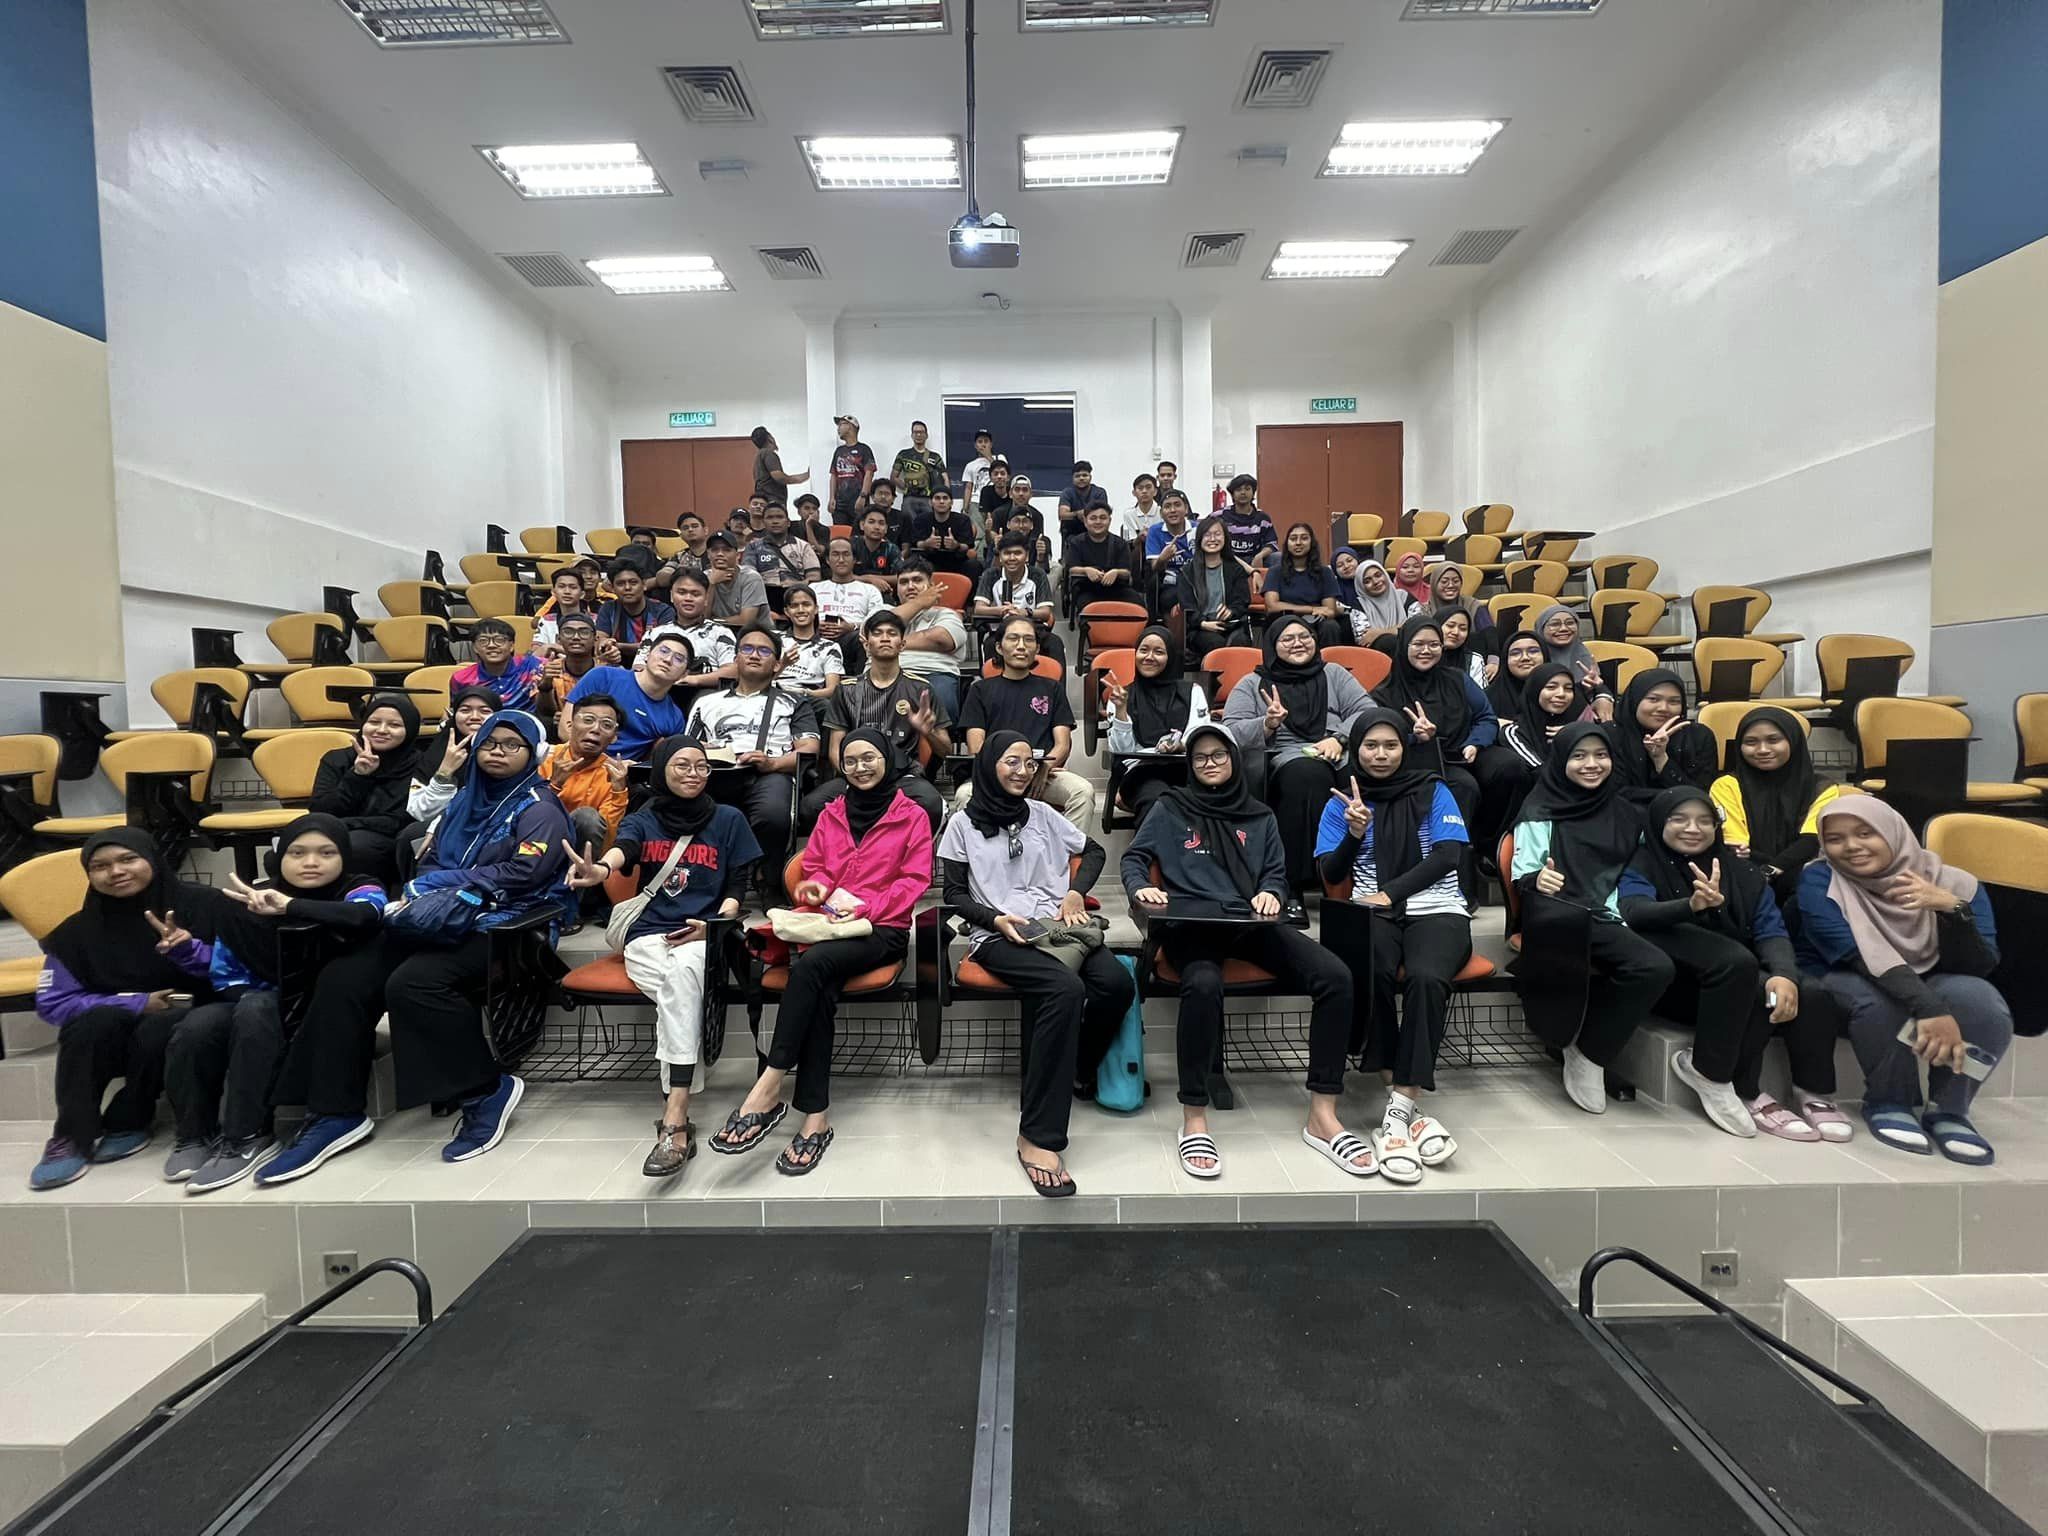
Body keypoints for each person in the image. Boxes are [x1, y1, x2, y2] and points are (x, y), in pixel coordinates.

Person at [256, 711, 569, 1186]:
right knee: (345, 977)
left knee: (414, 982)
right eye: (489, 743)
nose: (498, 752)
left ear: (533, 754)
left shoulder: (540, 808)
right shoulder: (463, 800)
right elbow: (429, 859)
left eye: (512, 744)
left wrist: (444, 884)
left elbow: (525, 874)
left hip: (506, 925)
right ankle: (334, 1112)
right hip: (435, 916)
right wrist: (434, 888)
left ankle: (485, 1091)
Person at [1123, 727, 1362, 1181]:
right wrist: (1140, 887)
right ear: (1190, 765)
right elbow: (1134, 858)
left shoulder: (1260, 815)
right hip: (1190, 924)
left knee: (1336, 976)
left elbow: (1275, 873)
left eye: (1218, 755)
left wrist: (1272, 892)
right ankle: (1194, 1118)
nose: (1210, 763)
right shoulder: (1170, 808)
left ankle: (1323, 1114)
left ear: (1234, 758)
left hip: (1247, 924)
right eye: (1200, 757)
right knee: (1202, 982)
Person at [710, 728, 933, 1174]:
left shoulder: (913, 815)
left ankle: (770, 1083)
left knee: (811, 967)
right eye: (850, 761)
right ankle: (815, 1120)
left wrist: (864, 907)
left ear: (887, 759)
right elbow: (814, 869)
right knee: (820, 989)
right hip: (830, 925)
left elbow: (915, 881)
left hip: (881, 928)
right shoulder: (832, 813)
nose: (860, 768)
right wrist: (815, 889)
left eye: (869, 758)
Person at [940, 732, 1134, 1196]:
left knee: (1115, 984)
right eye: (1012, 761)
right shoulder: (962, 824)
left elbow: (1094, 851)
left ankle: (1077, 1068)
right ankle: (1037, 1136)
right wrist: (994, 918)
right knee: (1064, 988)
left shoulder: (1043, 814)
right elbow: (954, 894)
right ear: (989, 764)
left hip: (1056, 927)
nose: (1023, 771)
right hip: (999, 934)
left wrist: (1074, 892)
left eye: (1029, 763)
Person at [564, 737, 760, 1178]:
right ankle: (678, 1109)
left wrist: (715, 923)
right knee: (680, 988)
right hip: (649, 936)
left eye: (701, 766)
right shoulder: (644, 817)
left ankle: (675, 1118)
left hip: (703, 932)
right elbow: (625, 850)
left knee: (682, 977)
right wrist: (601, 870)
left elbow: (737, 885)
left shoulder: (728, 818)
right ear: (660, 771)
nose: (694, 773)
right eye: (682, 766)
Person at [166, 815, 389, 1193]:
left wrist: (290, 906)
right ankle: (193, 1135)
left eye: (326, 853)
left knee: (256, 1012)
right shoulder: (252, 898)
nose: (311, 862)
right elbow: (226, 972)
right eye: (297, 853)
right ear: (280, 857)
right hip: (254, 999)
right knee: (197, 1025)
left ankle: (246, 1135)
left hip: (320, 1009)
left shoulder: (360, 887)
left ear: (344, 857)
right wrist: (189, 952)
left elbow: (365, 915)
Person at [1620, 787, 1848, 1142]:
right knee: (1754, 989)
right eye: (1679, 819)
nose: (1692, 828)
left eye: (1704, 821)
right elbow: (1635, 911)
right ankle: (1744, 1089)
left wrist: (1784, 975)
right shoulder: (1642, 864)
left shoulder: (1743, 872)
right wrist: (1690, 906)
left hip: (1740, 969)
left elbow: (1770, 930)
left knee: (1813, 994)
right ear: (1659, 822)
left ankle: (1814, 1092)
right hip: (1684, 985)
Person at [1797, 796, 2010, 1163]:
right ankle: (1889, 1101)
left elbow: (1978, 963)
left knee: (1983, 1004)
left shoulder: (1956, 883)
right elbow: (1855, 953)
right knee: (1879, 1004)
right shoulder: (1820, 878)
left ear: (1893, 831)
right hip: (1845, 972)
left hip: (1932, 975)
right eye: (1835, 839)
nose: (1852, 846)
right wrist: (1930, 1009)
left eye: (1866, 833)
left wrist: (1952, 910)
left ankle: (1949, 1109)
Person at [1315, 710, 1473, 1181]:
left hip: (1437, 909)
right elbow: (1331, 873)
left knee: (1426, 978)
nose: (1380, 755)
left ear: (1405, 747)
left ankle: (1399, 1112)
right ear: (1356, 749)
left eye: (1391, 745)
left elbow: (1448, 856)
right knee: (1372, 971)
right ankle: (1408, 1107)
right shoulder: (1341, 801)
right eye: (1370, 746)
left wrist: (1391, 892)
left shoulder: (1434, 789)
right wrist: (1354, 834)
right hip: (1372, 911)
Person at [28, 830, 219, 1191]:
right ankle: (71, 1135)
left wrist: (191, 951)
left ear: (152, 858)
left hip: (196, 1016)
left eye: (128, 859)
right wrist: (137, 1003)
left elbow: (239, 966)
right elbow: (54, 1003)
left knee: (159, 1027)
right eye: (100, 866)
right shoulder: (75, 933)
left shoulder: (205, 905)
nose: (115, 872)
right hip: (117, 1026)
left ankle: (129, 1118)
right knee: (89, 1024)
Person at [1510, 724, 1675, 1114]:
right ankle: (1589, 1052)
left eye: (1601, 755)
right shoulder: (1540, 810)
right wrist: (1538, 879)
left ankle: (1587, 1041)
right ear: (1560, 761)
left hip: (1620, 909)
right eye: (1579, 756)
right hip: (1565, 912)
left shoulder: (1625, 811)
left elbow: (1646, 857)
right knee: (1653, 966)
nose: (1592, 764)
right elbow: (1523, 873)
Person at [1220, 617, 1374, 890]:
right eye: (1288, 639)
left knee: (1369, 770)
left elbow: (1368, 710)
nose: (1298, 643)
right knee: (1307, 775)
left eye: (1305, 636)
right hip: (1285, 753)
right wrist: (1266, 723)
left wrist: (1339, 738)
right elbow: (1230, 732)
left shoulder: (1334, 673)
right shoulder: (1252, 683)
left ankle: (1367, 875)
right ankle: (1298, 883)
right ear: (1272, 645)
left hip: (1339, 748)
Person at [685, 623, 821, 896]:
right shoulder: (706, 701)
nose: (754, 655)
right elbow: (686, 748)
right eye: (747, 649)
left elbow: (809, 749)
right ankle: (712, 883)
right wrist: (705, 751)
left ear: (776, 664)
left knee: (773, 814)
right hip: (717, 773)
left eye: (764, 651)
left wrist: (772, 763)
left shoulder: (793, 701)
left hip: (769, 773)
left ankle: (766, 879)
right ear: (736, 658)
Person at [1372, 612, 1512, 850]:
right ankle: (1447, 853)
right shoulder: (1384, 693)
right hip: (1414, 759)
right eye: (1418, 644)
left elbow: (1486, 717)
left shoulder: (1457, 679)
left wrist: (1475, 743)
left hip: (1461, 751)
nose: (1426, 651)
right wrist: (1415, 737)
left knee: (1509, 768)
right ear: (1404, 646)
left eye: (1434, 645)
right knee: (1464, 786)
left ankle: (1488, 846)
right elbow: (1378, 739)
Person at [807, 609, 951, 828]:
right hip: (857, 773)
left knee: (931, 804)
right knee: (811, 807)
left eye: (892, 633)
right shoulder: (846, 690)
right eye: (877, 633)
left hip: (902, 776)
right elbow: (835, 749)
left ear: (902, 644)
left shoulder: (921, 689)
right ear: (866, 644)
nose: (885, 638)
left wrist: (927, 732)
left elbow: (945, 750)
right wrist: (855, 774)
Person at [957, 615, 1095, 828]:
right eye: (1013, 638)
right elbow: (977, 747)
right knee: (964, 795)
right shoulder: (980, 690)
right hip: (997, 775)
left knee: (1082, 792)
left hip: (1042, 773)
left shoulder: (1052, 688)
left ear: (1037, 648)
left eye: (1028, 640)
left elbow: (1063, 744)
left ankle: (1069, 849)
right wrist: (1007, 772)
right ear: (999, 647)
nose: (1021, 646)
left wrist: (1044, 767)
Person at [1710, 706, 1847, 902]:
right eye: (1751, 742)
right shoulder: (1726, 785)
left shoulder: (1822, 787)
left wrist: (1772, 870)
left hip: (1801, 870)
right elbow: (1738, 845)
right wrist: (1760, 873)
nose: (1762, 750)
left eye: (1773, 740)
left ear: (1793, 740)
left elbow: (1811, 840)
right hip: (1746, 872)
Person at [308, 691, 421, 885]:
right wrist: (358, 775)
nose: (382, 730)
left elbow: (400, 819)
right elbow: (321, 810)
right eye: (374, 722)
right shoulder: (337, 759)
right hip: (337, 832)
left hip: (390, 839)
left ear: (409, 729)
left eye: (394, 725)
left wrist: (347, 824)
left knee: (353, 847)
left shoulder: (420, 764)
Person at [1104, 624, 1209, 823]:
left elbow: (1200, 733)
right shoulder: (1121, 696)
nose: (1149, 657)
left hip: (1185, 769)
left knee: (1198, 800)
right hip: (1141, 772)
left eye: (1159, 652)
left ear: (1170, 657)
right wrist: (1121, 710)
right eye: (1143, 650)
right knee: (1159, 801)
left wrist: (1181, 745)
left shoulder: (1192, 691)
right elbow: (1122, 753)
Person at [567, 630, 694, 759]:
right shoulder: (603, 676)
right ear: (647, 655)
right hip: (578, 760)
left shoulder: (674, 718)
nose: (667, 660)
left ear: (684, 674)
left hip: (627, 769)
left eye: (678, 659)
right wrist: (603, 764)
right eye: (664, 651)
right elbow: (565, 728)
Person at [539, 693, 632, 854]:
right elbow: (526, 816)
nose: (595, 729)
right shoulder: (544, 758)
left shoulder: (613, 774)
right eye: (588, 720)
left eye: (607, 725)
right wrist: (554, 785)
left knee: (587, 817)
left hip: (580, 854)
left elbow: (607, 841)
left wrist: (619, 791)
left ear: (614, 738)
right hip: (537, 842)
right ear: (570, 725)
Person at [1609, 668, 1718, 803]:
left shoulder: (1699, 737)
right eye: (1653, 699)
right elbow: (1615, 793)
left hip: (1682, 813)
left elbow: (1701, 795)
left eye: (1674, 702)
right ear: (1634, 700)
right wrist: (1673, 795)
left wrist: (1661, 759)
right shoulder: (1611, 734)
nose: (1663, 708)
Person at [409, 685, 501, 824]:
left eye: (485, 711)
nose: (474, 717)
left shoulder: (508, 753)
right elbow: (418, 811)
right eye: (465, 710)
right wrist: (445, 772)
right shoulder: (438, 751)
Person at [890, 558, 968, 719]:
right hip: (887, 672)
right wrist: (919, 603)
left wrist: (888, 641)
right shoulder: (882, 610)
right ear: (896, 589)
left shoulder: (947, 614)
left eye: (917, 580)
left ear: (931, 586)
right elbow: (872, 628)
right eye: (903, 582)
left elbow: (941, 639)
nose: (910, 586)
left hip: (934, 673)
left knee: (942, 703)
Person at [973, 533, 1063, 665]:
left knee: (1055, 643)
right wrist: (1002, 610)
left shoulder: (1038, 575)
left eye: (1017, 553)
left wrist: (1023, 612)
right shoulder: (991, 575)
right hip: (1001, 630)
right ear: (1000, 556)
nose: (1012, 558)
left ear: (1027, 556)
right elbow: (979, 608)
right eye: (1007, 553)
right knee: (990, 644)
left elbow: (1045, 612)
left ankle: (1056, 680)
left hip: (1033, 630)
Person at [1260, 522, 1346, 649]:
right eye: (1293, 539)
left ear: (1312, 543)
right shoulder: (1275, 572)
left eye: (1304, 538)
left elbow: (1329, 610)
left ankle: (1328, 661)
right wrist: (1311, 609)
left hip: (1315, 621)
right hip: (1284, 620)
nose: (1298, 543)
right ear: (1287, 544)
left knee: (1330, 626)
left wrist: (1316, 612)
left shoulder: (1325, 573)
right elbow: (1272, 606)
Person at [1180, 514, 1251, 664]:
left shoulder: (1235, 569)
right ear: (1199, 539)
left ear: (1225, 538)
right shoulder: (1188, 572)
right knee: (1215, 643)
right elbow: (1187, 607)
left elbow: (1242, 602)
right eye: (1207, 535)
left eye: (1217, 534)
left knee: (1240, 642)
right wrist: (1202, 623)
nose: (1212, 539)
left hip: (1230, 625)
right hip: (1200, 628)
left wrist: (1231, 611)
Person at [815, 536, 886, 675]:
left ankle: (861, 684)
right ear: (827, 560)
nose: (841, 559)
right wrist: (815, 625)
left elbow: (877, 621)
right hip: (817, 636)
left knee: (864, 639)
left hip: (853, 638)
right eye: (835, 554)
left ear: (855, 559)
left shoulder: (870, 590)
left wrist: (852, 627)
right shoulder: (814, 588)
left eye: (846, 554)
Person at [1532, 604, 1616, 721]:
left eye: (1570, 623)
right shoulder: (1532, 658)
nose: (1563, 628)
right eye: (1555, 624)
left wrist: (1603, 696)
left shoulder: (1584, 656)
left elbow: (1596, 688)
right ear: (1541, 629)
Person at [450, 617, 546, 714]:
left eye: (499, 640)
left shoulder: (533, 666)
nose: (491, 645)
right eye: (483, 641)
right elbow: (458, 711)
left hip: (528, 721)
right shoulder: (461, 679)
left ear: (511, 646)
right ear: (475, 647)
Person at [664, 574, 739, 694]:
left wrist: (693, 680)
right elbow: (639, 670)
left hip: (708, 695)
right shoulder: (655, 633)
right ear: (671, 596)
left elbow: (733, 672)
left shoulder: (721, 633)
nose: (688, 598)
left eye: (695, 594)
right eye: (682, 592)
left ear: (706, 599)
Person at [741, 501, 820, 611]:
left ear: (788, 523)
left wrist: (796, 584)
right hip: (764, 599)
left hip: (796, 598)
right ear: (763, 522)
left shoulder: (803, 546)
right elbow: (748, 576)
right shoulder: (753, 547)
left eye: (779, 517)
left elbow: (815, 578)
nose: (775, 521)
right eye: (770, 517)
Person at [776, 585, 845, 700]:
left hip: (809, 700)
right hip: (774, 696)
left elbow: (833, 690)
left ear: (816, 609)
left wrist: (804, 693)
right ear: (786, 612)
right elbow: (758, 681)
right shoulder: (774, 639)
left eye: (806, 604)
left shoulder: (830, 647)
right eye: (794, 606)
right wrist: (783, 664)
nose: (801, 610)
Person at [1062, 502, 1135, 612]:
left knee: (1138, 605)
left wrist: (1116, 572)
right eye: (1093, 518)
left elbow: (1127, 572)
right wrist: (1086, 570)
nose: (1098, 522)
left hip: (1117, 588)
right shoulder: (1076, 542)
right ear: (1085, 521)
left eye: (1103, 518)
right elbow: (1072, 569)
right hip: (1087, 589)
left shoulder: (1120, 543)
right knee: (1089, 609)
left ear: (1109, 520)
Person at [592, 564, 677, 656]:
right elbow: (600, 641)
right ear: (612, 588)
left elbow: (662, 647)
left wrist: (619, 646)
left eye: (633, 583)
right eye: (620, 584)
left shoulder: (663, 611)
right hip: (615, 660)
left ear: (644, 585)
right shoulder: (608, 608)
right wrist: (606, 646)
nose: (627, 587)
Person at [910, 484, 982, 586]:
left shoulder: (962, 520)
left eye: (945, 498)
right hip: (930, 560)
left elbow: (967, 546)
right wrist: (927, 543)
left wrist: (956, 545)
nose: (941, 501)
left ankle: (969, 596)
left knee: (974, 565)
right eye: (937, 498)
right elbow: (916, 544)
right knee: (914, 564)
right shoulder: (921, 519)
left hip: (956, 561)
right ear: (930, 502)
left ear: (951, 502)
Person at [1144, 489, 1197, 618]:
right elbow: (1154, 567)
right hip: (1171, 583)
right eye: (1167, 507)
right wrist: (1163, 559)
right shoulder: (1155, 531)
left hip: (1197, 581)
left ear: (1186, 509)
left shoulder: (1198, 529)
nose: (1172, 510)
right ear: (1161, 513)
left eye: (1177, 505)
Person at [539, 613, 602, 718]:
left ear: (595, 639)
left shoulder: (608, 672)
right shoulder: (548, 669)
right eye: (568, 632)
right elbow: (545, 714)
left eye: (584, 632)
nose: (576, 637)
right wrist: (545, 686)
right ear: (558, 639)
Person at [891, 419, 948, 530]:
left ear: (926, 435)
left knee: (930, 528)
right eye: (915, 432)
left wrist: (946, 497)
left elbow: (945, 478)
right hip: (909, 498)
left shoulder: (935, 456)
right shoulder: (903, 454)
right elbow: (893, 477)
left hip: (929, 499)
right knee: (908, 528)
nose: (918, 435)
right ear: (912, 435)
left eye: (921, 432)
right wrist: (906, 487)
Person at [704, 535, 768, 629]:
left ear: (738, 555)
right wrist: (711, 583)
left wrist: (712, 621)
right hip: (715, 632)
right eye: (715, 550)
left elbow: (746, 621)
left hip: (754, 632)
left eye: (726, 550)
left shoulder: (751, 578)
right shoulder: (704, 577)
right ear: (708, 555)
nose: (720, 554)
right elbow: (702, 617)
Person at [1351, 557, 1416, 646]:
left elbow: (1417, 628)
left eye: (1378, 575)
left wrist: (1379, 632)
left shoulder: (1404, 597)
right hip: (1376, 652)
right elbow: (1364, 639)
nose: (1375, 582)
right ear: (1361, 586)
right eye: (1367, 581)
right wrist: (1400, 629)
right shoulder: (1359, 604)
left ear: (1385, 575)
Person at [1219, 473, 1276, 568]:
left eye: (1247, 489)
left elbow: (1271, 544)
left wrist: (1259, 556)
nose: (1243, 493)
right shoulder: (1220, 516)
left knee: (1277, 557)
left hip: (1254, 560)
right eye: (1238, 490)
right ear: (1232, 494)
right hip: (1228, 561)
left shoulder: (1262, 518)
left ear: (1253, 492)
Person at [828, 413, 875, 524]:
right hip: (840, 502)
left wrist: (863, 496)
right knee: (840, 531)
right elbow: (834, 475)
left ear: (850, 426)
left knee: (858, 530)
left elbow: (869, 474)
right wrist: (832, 498)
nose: (838, 428)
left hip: (857, 500)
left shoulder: (864, 449)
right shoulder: (839, 451)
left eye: (841, 424)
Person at [532, 567, 594, 649]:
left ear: (582, 594)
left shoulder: (596, 620)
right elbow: (536, 651)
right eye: (561, 587)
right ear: (553, 592)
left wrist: (554, 648)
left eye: (573, 587)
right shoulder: (546, 621)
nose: (567, 592)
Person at [751, 424, 808, 507]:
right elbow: (779, 477)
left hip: (765, 500)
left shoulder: (759, 456)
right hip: (772, 501)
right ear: (770, 438)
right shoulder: (768, 453)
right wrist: (803, 477)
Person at [1425, 564, 1492, 634]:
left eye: (1456, 581)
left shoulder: (1472, 605)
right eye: (1444, 582)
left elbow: (1489, 633)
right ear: (1434, 583)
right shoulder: (1424, 610)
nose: (1451, 585)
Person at [1438, 608, 1495, 687]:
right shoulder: (1425, 655)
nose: (1456, 632)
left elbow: (1479, 694)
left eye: (1463, 629)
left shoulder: (1474, 660)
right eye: (1450, 626)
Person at [851, 506, 901, 596]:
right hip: (852, 592)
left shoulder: (891, 549)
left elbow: (900, 577)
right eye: (871, 522)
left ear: (886, 529)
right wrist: (869, 580)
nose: (877, 527)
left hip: (883, 593)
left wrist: (874, 578)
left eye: (881, 523)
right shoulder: (850, 545)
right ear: (862, 525)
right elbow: (838, 574)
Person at [1057, 460, 1112, 541]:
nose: (1081, 478)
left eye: (1084, 475)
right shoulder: (1067, 492)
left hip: (1094, 529)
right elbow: (1062, 515)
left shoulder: (1099, 492)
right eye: (1077, 476)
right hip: (1072, 532)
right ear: (1072, 478)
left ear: (1090, 477)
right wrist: (1077, 514)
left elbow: (1103, 514)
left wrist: (1086, 514)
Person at [1113, 472, 1161, 544]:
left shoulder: (1162, 512)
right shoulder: (1129, 514)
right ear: (1134, 493)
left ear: (1155, 491)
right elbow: (1129, 542)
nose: (1144, 491)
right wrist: (1139, 537)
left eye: (1148, 487)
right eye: (1140, 488)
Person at [961, 428, 1000, 512]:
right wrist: (965, 508)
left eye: (986, 441)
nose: (983, 444)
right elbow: (968, 488)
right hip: (976, 501)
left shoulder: (999, 458)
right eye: (980, 442)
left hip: (995, 500)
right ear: (975, 445)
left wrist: (988, 456)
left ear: (991, 444)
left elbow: (1000, 470)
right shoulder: (970, 465)